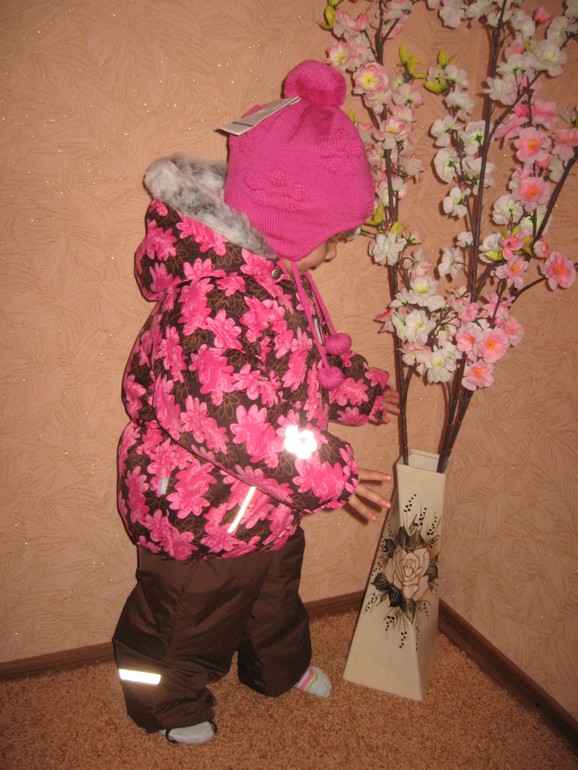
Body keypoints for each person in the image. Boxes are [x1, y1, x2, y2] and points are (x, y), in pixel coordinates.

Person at [113, 60, 400, 746]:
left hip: (267, 501)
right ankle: (166, 704)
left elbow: (310, 356)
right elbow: (236, 423)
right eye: (335, 234)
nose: (338, 251)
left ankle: (278, 669)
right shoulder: (210, 300)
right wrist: (328, 472)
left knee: (274, 598)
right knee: (184, 622)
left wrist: (355, 389)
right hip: (198, 510)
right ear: (288, 222)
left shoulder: (281, 278)